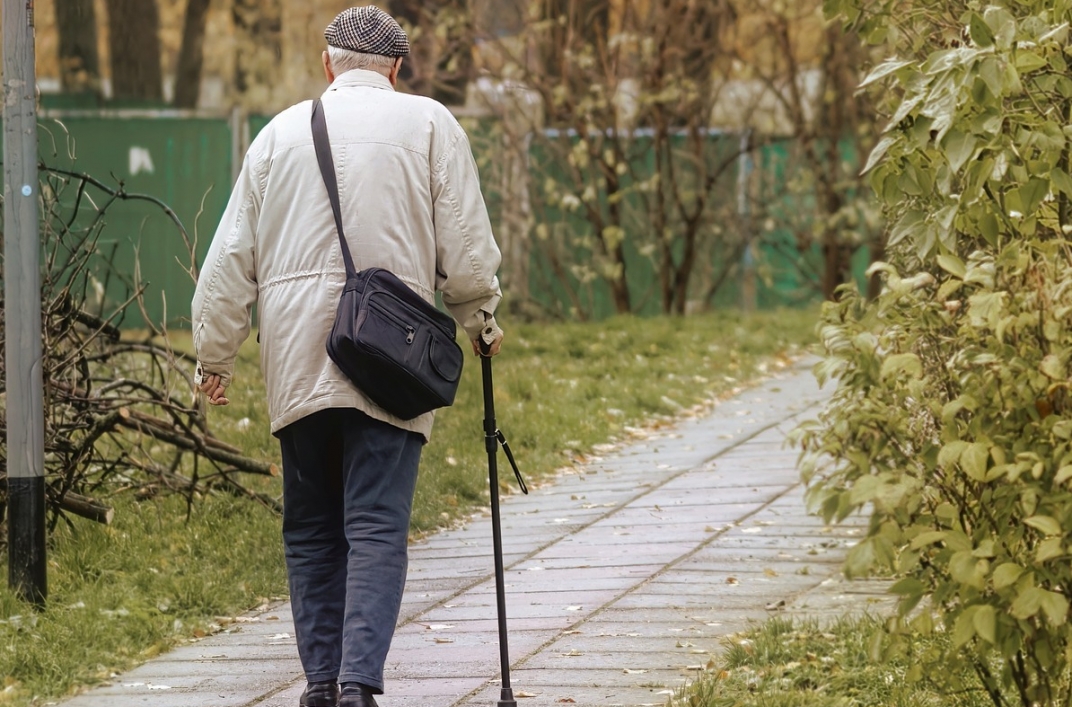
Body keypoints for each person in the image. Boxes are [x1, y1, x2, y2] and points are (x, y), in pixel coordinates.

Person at [190, 7, 504, 707]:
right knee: (375, 525)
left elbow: (228, 260)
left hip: (299, 361)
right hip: (390, 357)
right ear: (396, 70)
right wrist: (479, 318)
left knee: (308, 528)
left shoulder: (276, 137)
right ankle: (359, 684)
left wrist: (215, 355)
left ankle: (321, 684)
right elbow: (467, 247)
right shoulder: (429, 125)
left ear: (327, 64)